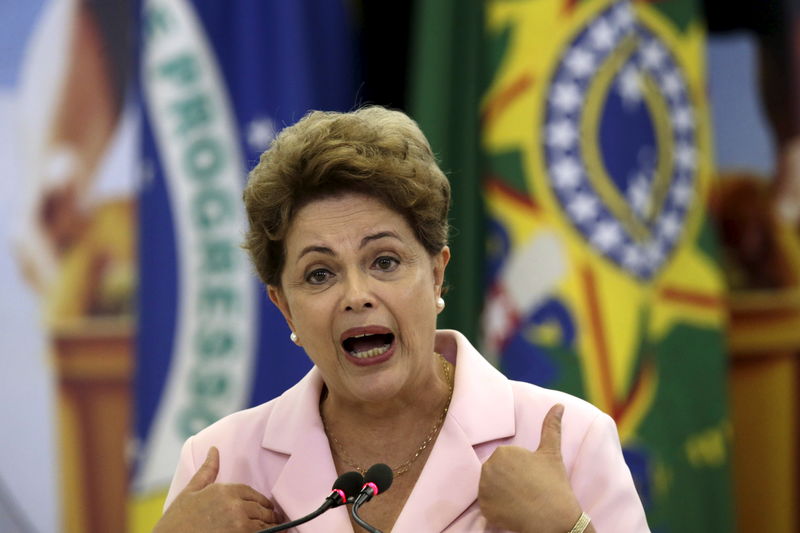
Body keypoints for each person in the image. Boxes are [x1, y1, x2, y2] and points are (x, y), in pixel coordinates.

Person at [154, 107, 649, 532]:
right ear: (284, 306)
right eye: (320, 273)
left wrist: (567, 528)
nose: (356, 295)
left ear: (436, 275)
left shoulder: (566, 439)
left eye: (385, 262)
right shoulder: (221, 462)